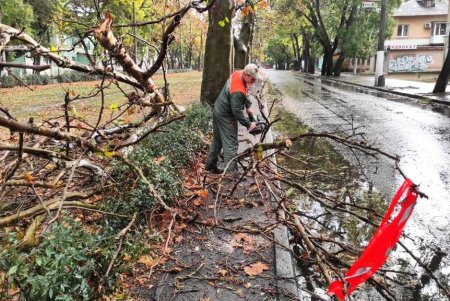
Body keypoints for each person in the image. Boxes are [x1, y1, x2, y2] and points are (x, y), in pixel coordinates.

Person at [206, 63, 263, 174]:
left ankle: (210, 166)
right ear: (246, 75)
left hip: (218, 109)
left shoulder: (239, 73)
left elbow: (245, 92)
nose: (253, 82)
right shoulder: (237, 91)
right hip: (226, 116)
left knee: (217, 140)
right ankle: (230, 174)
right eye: (252, 79)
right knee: (231, 143)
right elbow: (237, 112)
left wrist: (248, 106)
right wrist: (249, 124)